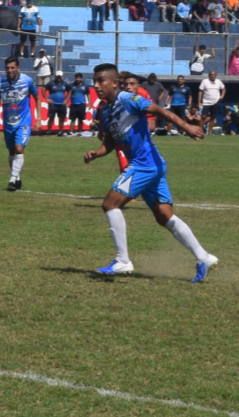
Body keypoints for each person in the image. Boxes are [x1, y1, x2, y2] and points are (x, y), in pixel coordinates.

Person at [82, 64, 216, 281]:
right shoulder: (105, 110)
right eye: (95, 81)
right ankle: (204, 257)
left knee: (110, 204)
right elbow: (109, 142)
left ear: (115, 83)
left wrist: (186, 127)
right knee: (164, 216)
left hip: (144, 164)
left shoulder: (128, 99)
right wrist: (96, 153)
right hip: (152, 164)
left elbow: (158, 110)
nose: (96, 85)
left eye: (101, 80)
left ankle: (122, 260)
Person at [0, 56, 39, 191]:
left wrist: (39, 118)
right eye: (7, 68)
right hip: (8, 122)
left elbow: (37, 97)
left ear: (18, 68)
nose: (10, 70)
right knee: (12, 151)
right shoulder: (0, 82)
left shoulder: (27, 81)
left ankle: (12, 180)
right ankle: (17, 177)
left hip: (24, 121)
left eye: (12, 67)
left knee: (19, 148)